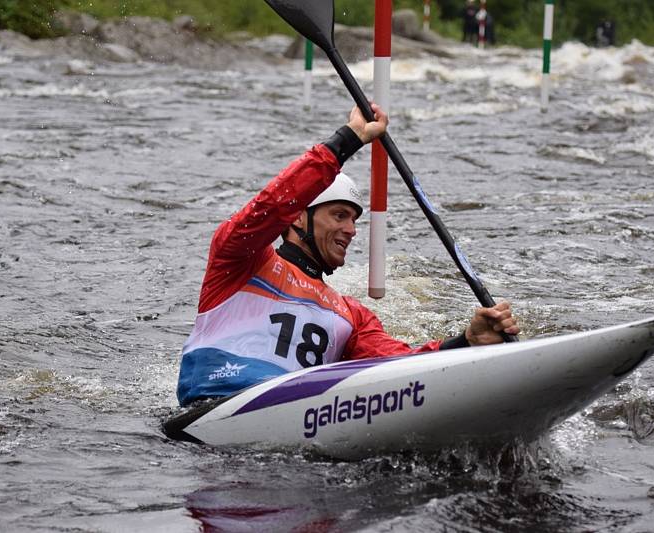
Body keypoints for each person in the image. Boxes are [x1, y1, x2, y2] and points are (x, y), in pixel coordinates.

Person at [176, 104, 519, 407]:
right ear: (298, 216)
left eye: (354, 220)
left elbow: (399, 366)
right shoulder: (240, 260)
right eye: (339, 215)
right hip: (209, 409)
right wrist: (349, 139)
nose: (351, 230)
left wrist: (466, 342)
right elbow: (273, 203)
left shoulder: (352, 315)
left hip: (291, 423)